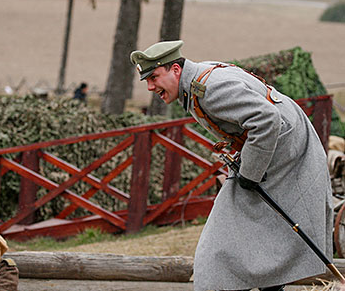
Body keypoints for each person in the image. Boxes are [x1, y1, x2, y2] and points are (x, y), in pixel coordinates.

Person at [130, 40, 333, 291]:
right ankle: (269, 286)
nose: (150, 87)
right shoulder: (197, 82)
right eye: (147, 80)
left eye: (154, 77)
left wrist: (249, 173)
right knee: (260, 230)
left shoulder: (209, 89)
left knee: (217, 244)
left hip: (286, 152)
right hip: (282, 146)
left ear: (175, 70)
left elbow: (266, 120)